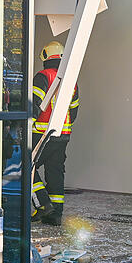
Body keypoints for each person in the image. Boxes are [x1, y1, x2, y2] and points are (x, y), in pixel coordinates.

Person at [31, 41, 79, 226]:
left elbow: (35, 104)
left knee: (27, 167)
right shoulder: (70, 80)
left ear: (45, 56)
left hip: (42, 134)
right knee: (55, 171)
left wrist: (26, 125)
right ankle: (55, 214)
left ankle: (43, 204)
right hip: (63, 134)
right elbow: (73, 111)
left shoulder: (43, 77)